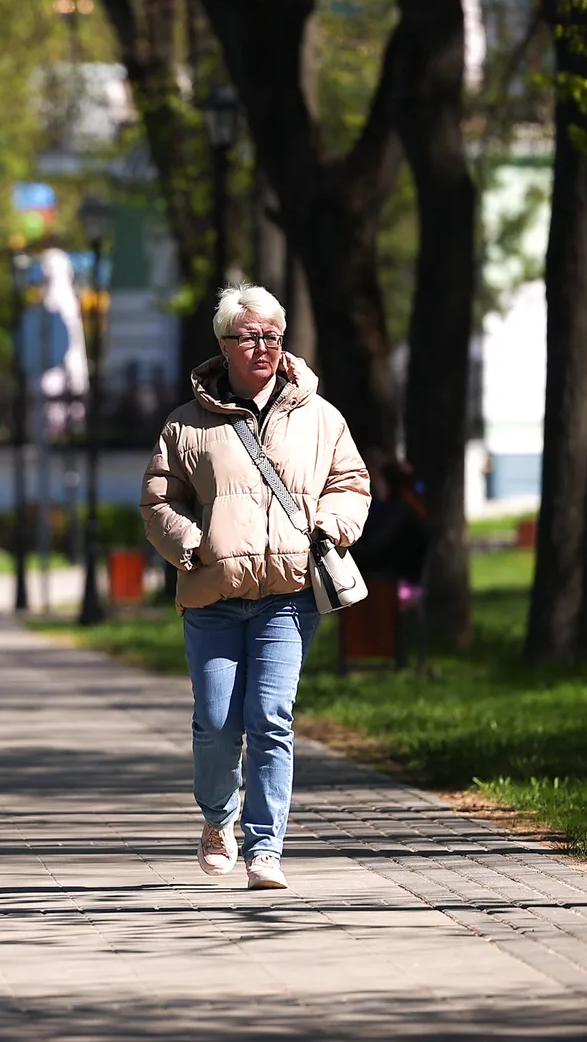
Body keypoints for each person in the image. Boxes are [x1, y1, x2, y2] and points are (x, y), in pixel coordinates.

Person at [141, 283, 372, 890]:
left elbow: (351, 483)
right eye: (250, 337)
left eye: (273, 335)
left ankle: (265, 848)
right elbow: (160, 500)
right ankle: (219, 819)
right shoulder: (185, 425)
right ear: (224, 346)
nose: (264, 347)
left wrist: (336, 523)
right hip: (214, 594)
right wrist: (189, 542)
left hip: (288, 594)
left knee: (271, 716)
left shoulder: (320, 417)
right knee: (217, 721)